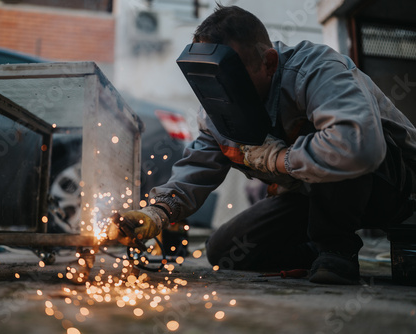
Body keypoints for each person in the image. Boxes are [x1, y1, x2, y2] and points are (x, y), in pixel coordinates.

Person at [115, 5, 416, 284]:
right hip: (313, 195)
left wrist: (279, 160)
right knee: (226, 251)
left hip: (392, 188)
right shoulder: (220, 105)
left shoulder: (316, 70)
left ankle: (337, 252)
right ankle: (315, 252)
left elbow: (359, 146)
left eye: (233, 77)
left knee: (322, 132)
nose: (223, 91)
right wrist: (158, 211)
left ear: (269, 62)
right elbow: (198, 165)